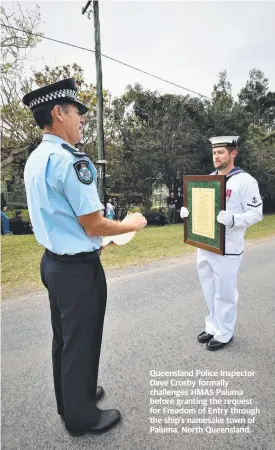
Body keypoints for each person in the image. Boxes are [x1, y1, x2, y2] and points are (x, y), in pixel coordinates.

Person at [22, 78, 147, 436]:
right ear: (59, 113)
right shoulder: (70, 161)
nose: (81, 120)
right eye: (77, 112)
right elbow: (92, 223)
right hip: (76, 271)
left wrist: (94, 240)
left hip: (53, 263)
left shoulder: (36, 158)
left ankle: (71, 397)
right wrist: (128, 224)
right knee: (84, 338)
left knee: (65, 337)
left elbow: (60, 218)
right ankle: (81, 418)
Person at [180, 136, 263, 351]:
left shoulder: (245, 181)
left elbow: (256, 213)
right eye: (214, 152)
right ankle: (213, 325)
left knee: (225, 292)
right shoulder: (208, 179)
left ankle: (225, 333)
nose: (216, 156)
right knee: (209, 287)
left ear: (233, 153)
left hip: (229, 247)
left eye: (221, 152)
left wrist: (235, 220)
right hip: (205, 243)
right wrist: (189, 213)